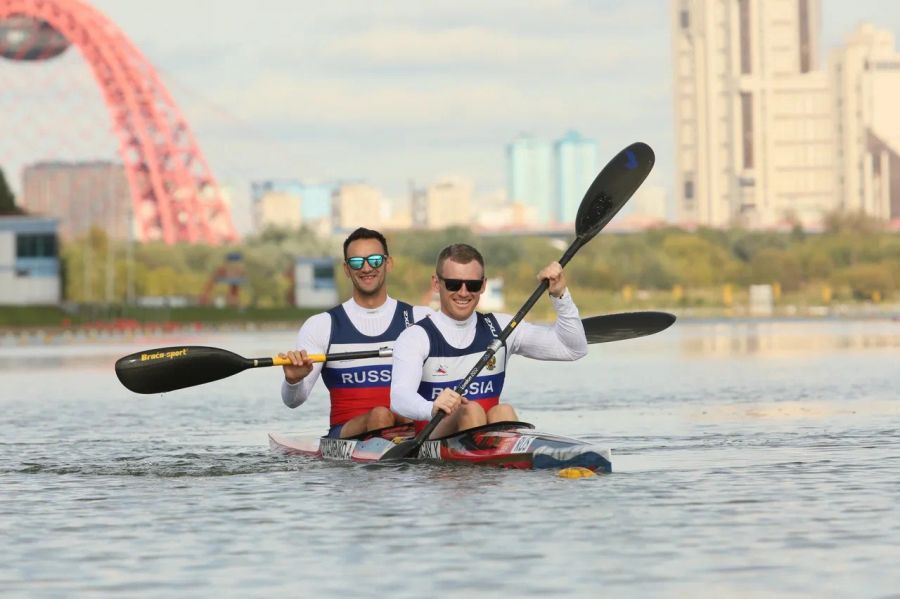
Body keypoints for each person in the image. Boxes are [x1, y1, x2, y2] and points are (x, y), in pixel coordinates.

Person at [390, 243, 588, 438]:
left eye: (473, 285)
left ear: (483, 285)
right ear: (436, 283)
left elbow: (572, 349)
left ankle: (499, 466)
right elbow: (399, 398)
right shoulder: (416, 337)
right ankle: (487, 465)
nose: (463, 292)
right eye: (453, 284)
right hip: (433, 435)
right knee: (470, 410)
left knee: (503, 412)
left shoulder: (502, 328)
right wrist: (431, 407)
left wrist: (560, 295)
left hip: (484, 436)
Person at [280, 227, 433, 439]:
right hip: (348, 435)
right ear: (346, 269)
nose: (367, 268)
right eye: (357, 262)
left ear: (388, 263)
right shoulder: (322, 325)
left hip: (411, 428)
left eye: (375, 260)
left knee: (403, 415)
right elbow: (293, 401)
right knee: (381, 415)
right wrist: (294, 381)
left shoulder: (421, 319)